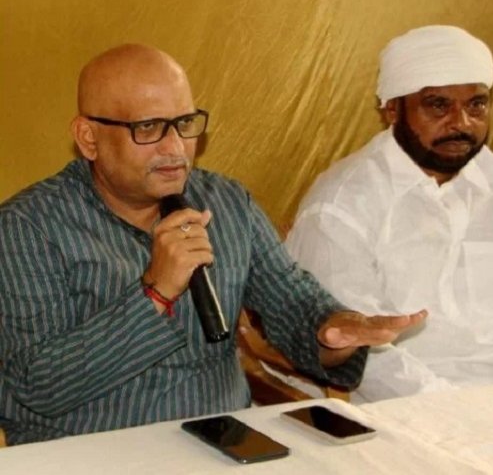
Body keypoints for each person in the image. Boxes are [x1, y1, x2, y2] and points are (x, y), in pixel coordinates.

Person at [0, 44, 425, 446]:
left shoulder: (226, 202)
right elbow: (40, 385)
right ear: (88, 138)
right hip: (87, 451)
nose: (175, 148)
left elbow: (294, 301)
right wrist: (155, 292)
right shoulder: (28, 227)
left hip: (222, 445)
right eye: (148, 128)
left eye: (185, 124)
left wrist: (334, 332)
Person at [285, 25, 493, 402]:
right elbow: (364, 351)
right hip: (404, 406)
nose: (461, 123)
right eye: (438, 105)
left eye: (476, 105)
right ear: (392, 109)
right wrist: (457, 411)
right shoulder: (341, 204)